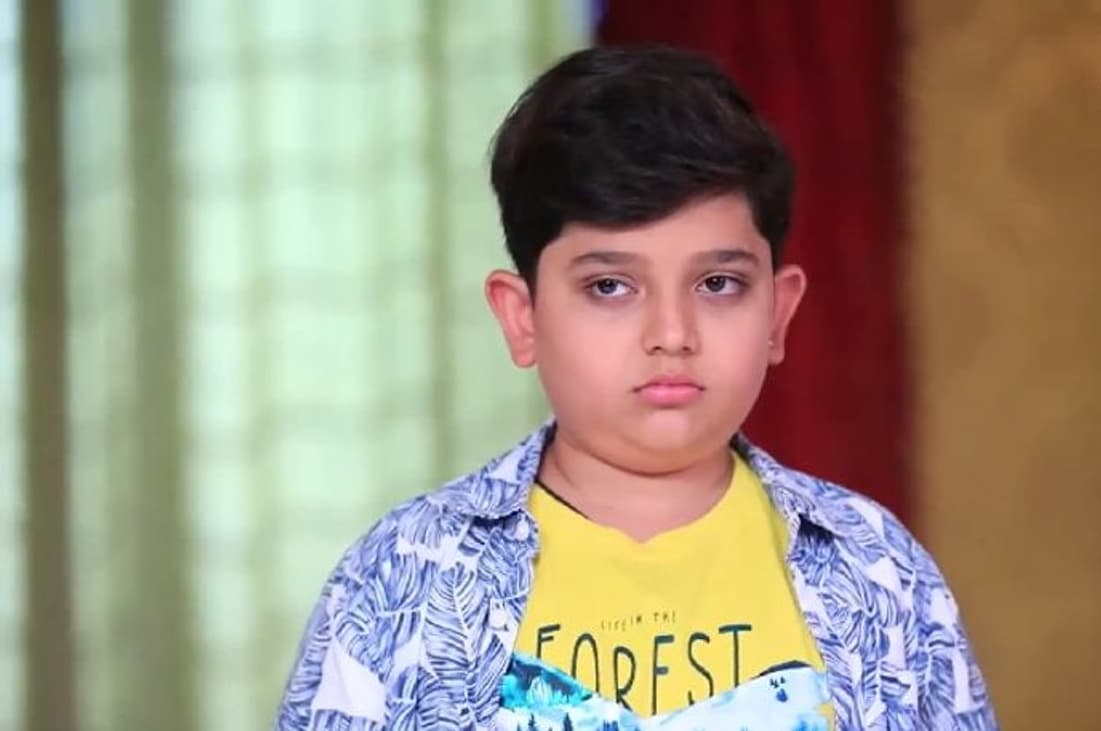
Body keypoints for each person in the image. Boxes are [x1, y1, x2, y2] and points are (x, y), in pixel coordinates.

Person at [274, 44, 997, 731]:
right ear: (522, 318)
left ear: (778, 315)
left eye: (718, 284)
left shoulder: (877, 568)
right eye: (610, 287)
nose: (672, 333)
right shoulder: (401, 575)